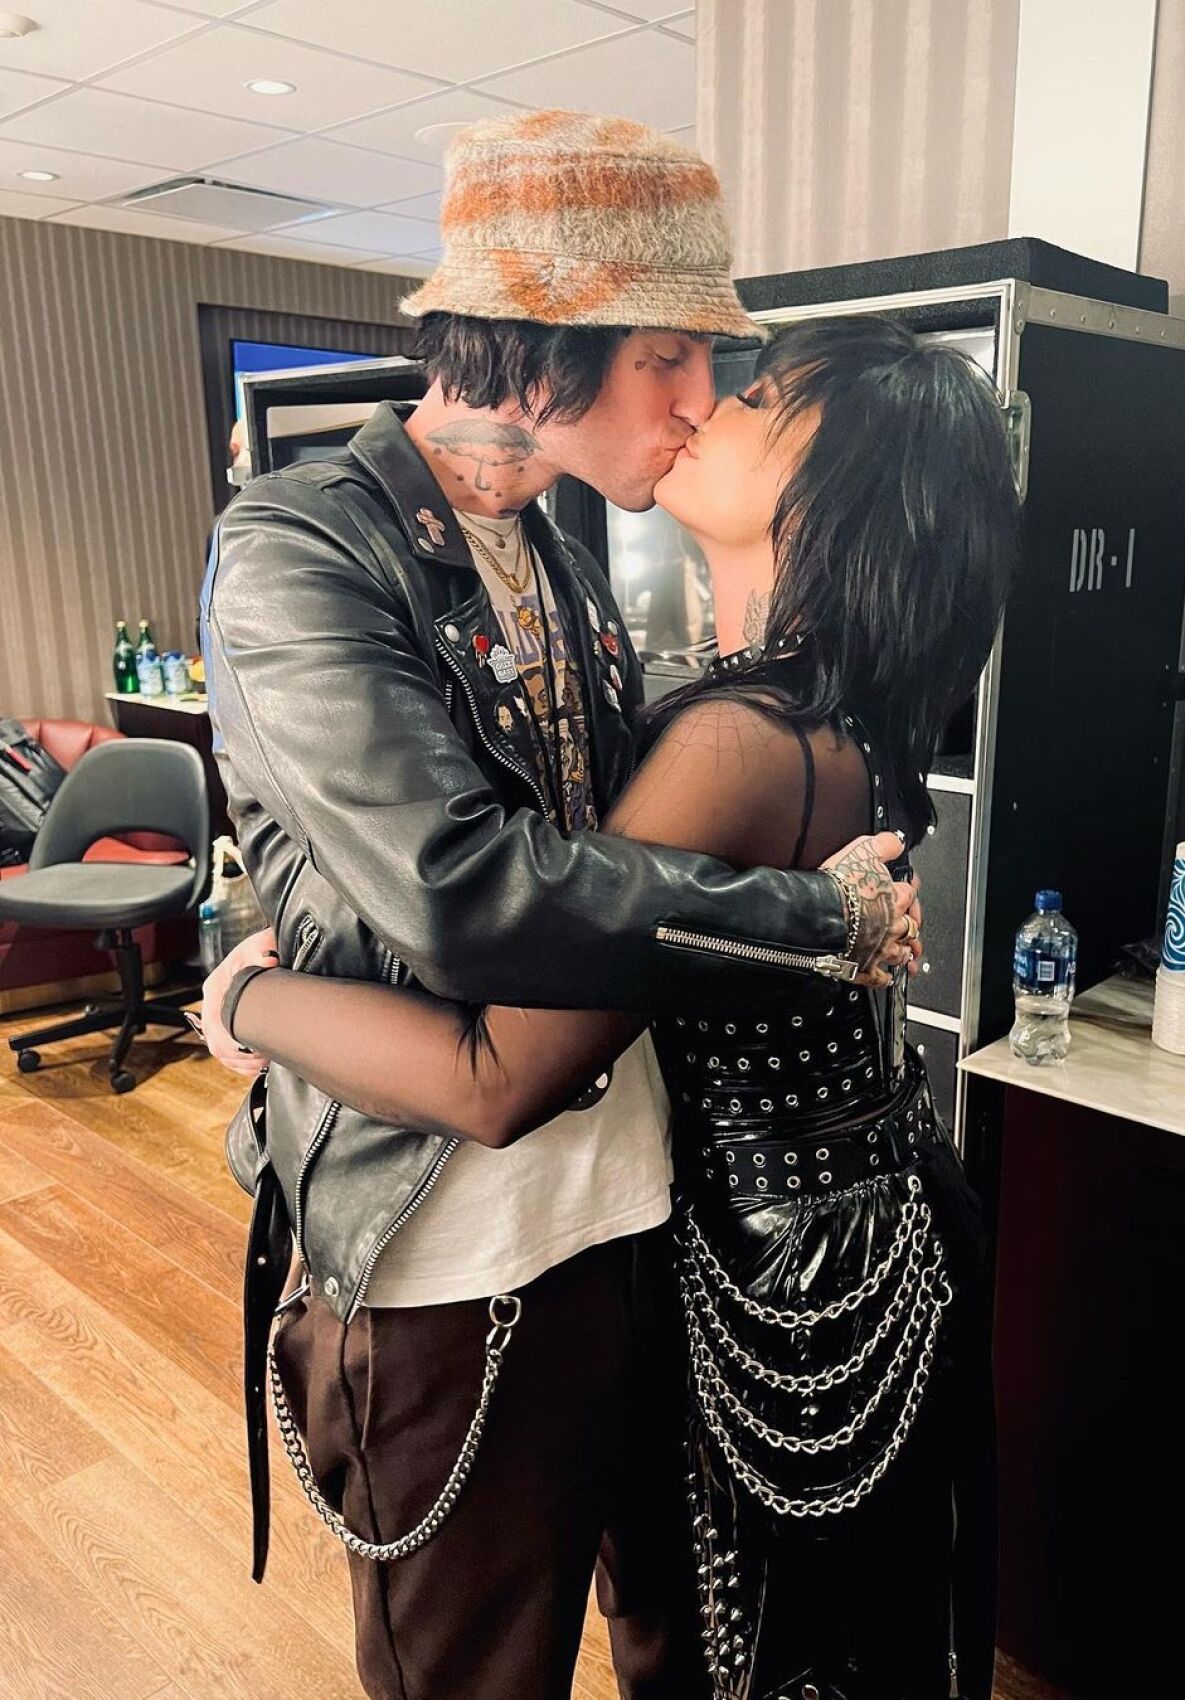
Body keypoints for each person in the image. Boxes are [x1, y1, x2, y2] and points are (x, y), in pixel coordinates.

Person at [201, 110, 918, 1700]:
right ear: (538, 348)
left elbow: (608, 854)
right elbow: (463, 893)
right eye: (667, 355)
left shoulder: (564, 563)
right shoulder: (301, 548)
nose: (700, 398)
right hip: (442, 1250)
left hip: (629, 1217)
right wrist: (816, 919)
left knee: (677, 1642)